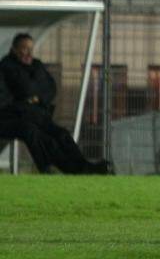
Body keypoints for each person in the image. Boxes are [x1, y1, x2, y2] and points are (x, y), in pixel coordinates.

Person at [0, 33, 111, 174]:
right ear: (14, 49)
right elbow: (25, 88)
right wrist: (34, 94)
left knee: (62, 134)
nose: (29, 53)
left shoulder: (37, 65)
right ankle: (54, 168)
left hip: (35, 114)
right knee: (37, 134)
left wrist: (34, 97)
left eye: (31, 49)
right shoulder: (6, 66)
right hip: (16, 117)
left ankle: (83, 166)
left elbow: (50, 88)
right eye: (24, 48)